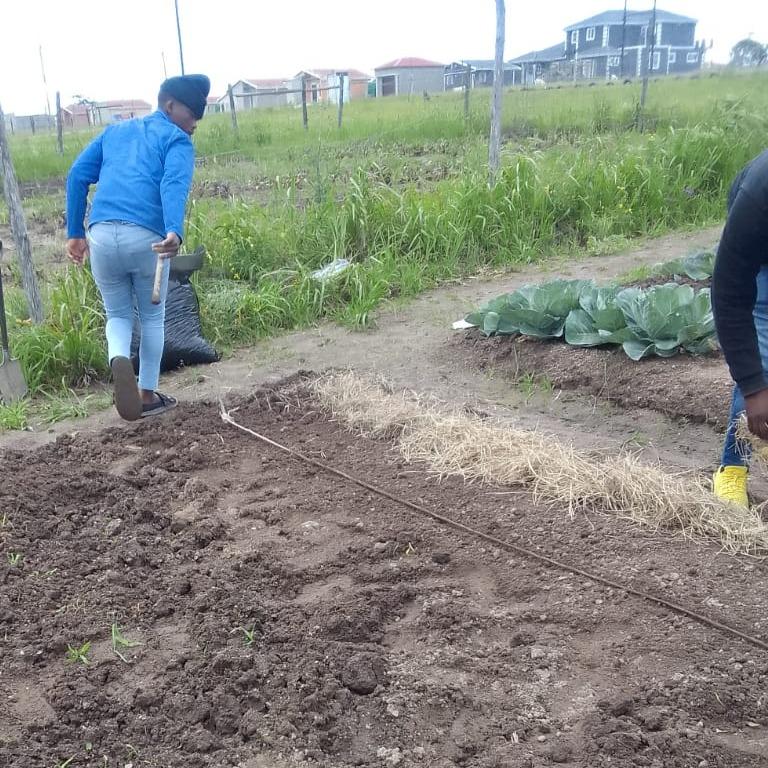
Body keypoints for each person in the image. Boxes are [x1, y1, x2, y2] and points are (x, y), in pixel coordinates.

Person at [65, 74, 210, 421]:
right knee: (151, 317)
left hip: (101, 235)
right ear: (169, 105)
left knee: (116, 314)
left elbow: (76, 175)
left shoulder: (115, 133)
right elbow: (173, 184)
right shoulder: (176, 141)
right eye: (191, 115)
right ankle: (145, 394)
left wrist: (75, 232)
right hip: (146, 238)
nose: (193, 125)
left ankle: (118, 356)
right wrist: (174, 230)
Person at [711, 150, 768, 507]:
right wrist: (754, 387)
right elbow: (730, 294)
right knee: (763, 342)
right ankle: (732, 469)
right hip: (761, 249)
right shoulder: (759, 197)